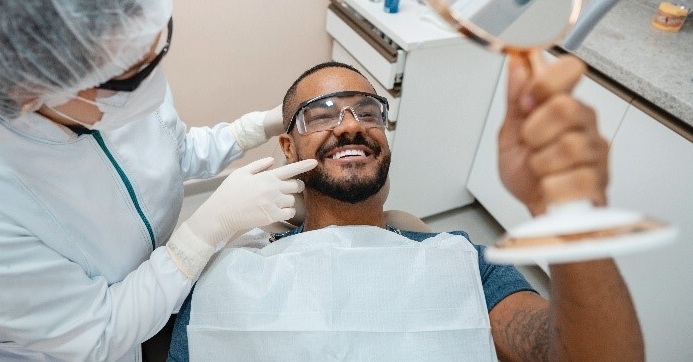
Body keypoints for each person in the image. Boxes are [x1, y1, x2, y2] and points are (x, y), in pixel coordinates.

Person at [0, 0, 317, 362]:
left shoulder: (113, 77)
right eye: (132, 75)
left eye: (158, 48)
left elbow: (172, 150)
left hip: (152, 314)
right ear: (34, 87)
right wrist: (200, 237)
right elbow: (96, 334)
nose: (152, 84)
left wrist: (257, 125)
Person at [167, 59, 644, 362]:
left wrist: (572, 212)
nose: (350, 125)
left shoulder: (462, 262)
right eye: (322, 113)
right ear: (289, 147)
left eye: (367, 111)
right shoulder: (228, 269)